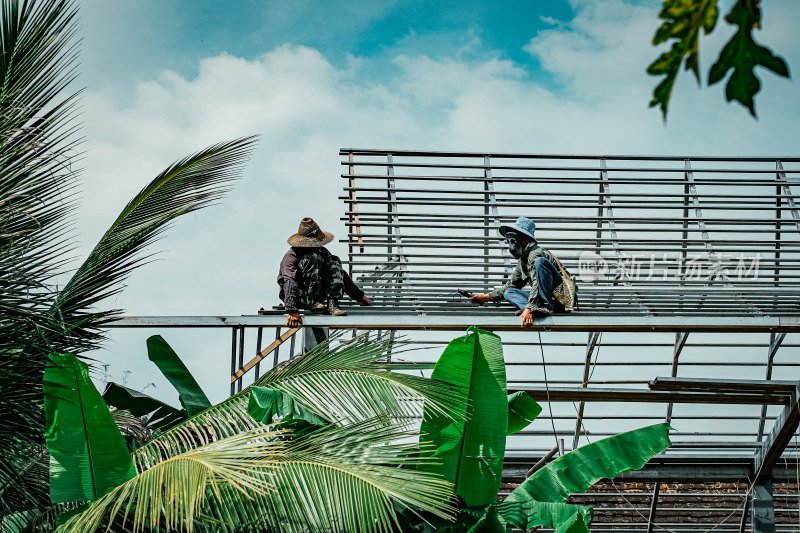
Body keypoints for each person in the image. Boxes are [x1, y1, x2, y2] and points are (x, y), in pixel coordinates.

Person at [469, 216, 571, 327]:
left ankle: (534, 308)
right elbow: (512, 284)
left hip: (561, 301)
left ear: (524, 239)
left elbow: (537, 282)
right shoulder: (523, 261)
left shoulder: (536, 254)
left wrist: (530, 307)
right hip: (540, 302)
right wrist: (487, 297)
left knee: (540, 262)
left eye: (513, 240)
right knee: (510, 292)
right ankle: (534, 310)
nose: (511, 244)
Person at [278, 217, 371, 327]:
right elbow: (289, 281)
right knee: (312, 258)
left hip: (321, 299)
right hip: (301, 297)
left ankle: (332, 303)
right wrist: (292, 310)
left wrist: (359, 296)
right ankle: (313, 302)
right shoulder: (292, 255)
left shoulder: (321, 251)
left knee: (334, 260)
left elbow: (340, 274)